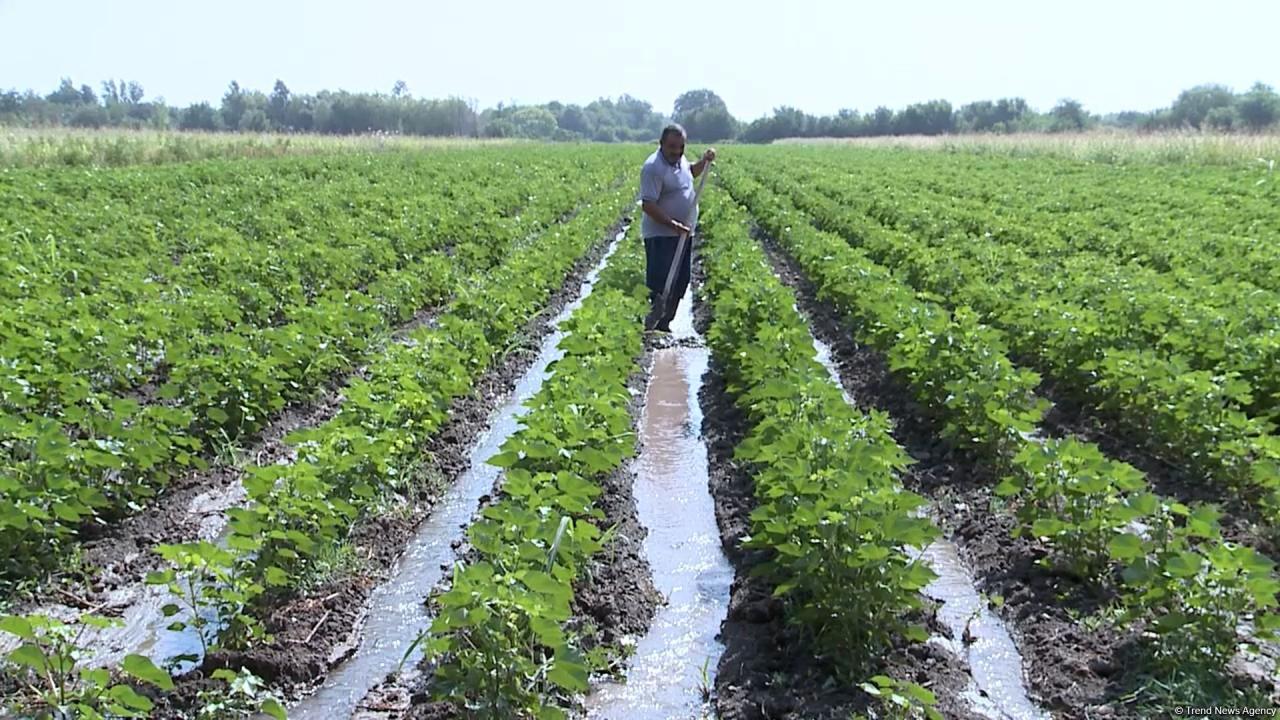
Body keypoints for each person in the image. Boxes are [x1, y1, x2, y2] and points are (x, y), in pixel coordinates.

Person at [640, 124, 715, 332]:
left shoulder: (679, 160)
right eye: (672, 147)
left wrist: (704, 162)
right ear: (661, 144)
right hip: (661, 235)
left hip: (683, 233)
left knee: (681, 280)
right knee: (660, 283)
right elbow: (648, 204)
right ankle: (651, 326)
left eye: (681, 146)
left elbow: (690, 173)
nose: (677, 151)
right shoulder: (653, 167)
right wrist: (673, 224)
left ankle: (665, 324)